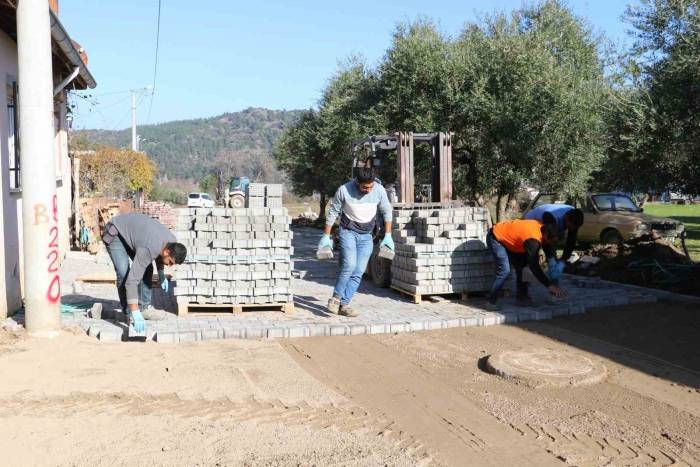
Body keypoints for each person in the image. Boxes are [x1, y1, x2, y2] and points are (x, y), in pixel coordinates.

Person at [319, 168, 394, 317]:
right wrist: (326, 236)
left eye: (370, 186)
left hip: (367, 236)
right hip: (348, 232)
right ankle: (335, 299)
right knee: (349, 265)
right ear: (357, 182)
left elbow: (386, 211)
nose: (368, 190)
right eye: (365, 187)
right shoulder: (344, 190)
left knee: (359, 271)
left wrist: (388, 235)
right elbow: (333, 212)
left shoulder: (379, 190)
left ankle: (344, 304)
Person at [103, 213, 187, 331]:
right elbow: (131, 282)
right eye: (171, 262)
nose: (169, 265)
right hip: (115, 232)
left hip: (135, 235)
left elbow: (160, 253)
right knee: (124, 274)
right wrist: (135, 313)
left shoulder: (172, 241)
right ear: (168, 252)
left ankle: (143, 307)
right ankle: (131, 313)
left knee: (147, 268)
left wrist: (161, 274)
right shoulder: (149, 249)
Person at [485, 219, 566, 310]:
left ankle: (522, 297)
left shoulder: (543, 229)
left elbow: (546, 248)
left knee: (523, 266)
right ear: (547, 236)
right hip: (496, 237)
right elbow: (534, 266)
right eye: (552, 242)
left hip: (515, 240)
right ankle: (490, 301)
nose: (552, 244)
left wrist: (552, 261)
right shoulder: (533, 240)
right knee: (505, 270)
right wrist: (549, 285)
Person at [525, 204, 584, 282]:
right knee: (533, 255)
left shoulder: (574, 216)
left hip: (550, 223)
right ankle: (525, 283)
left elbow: (571, 241)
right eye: (571, 226)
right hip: (532, 221)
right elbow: (547, 241)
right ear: (566, 218)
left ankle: (553, 279)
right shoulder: (551, 217)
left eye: (574, 227)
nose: (571, 229)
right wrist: (551, 258)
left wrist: (563, 261)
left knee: (553, 252)